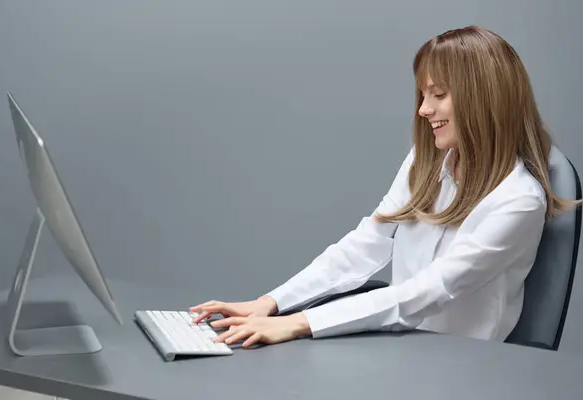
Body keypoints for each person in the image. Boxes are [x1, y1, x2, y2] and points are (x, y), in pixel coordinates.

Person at [190, 25, 582, 349]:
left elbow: (429, 291)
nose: (423, 109)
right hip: (401, 344)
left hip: (460, 367)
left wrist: (300, 323)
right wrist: (271, 304)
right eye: (423, 95)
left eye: (439, 95)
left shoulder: (518, 202)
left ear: (484, 100)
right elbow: (367, 243)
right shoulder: (425, 161)